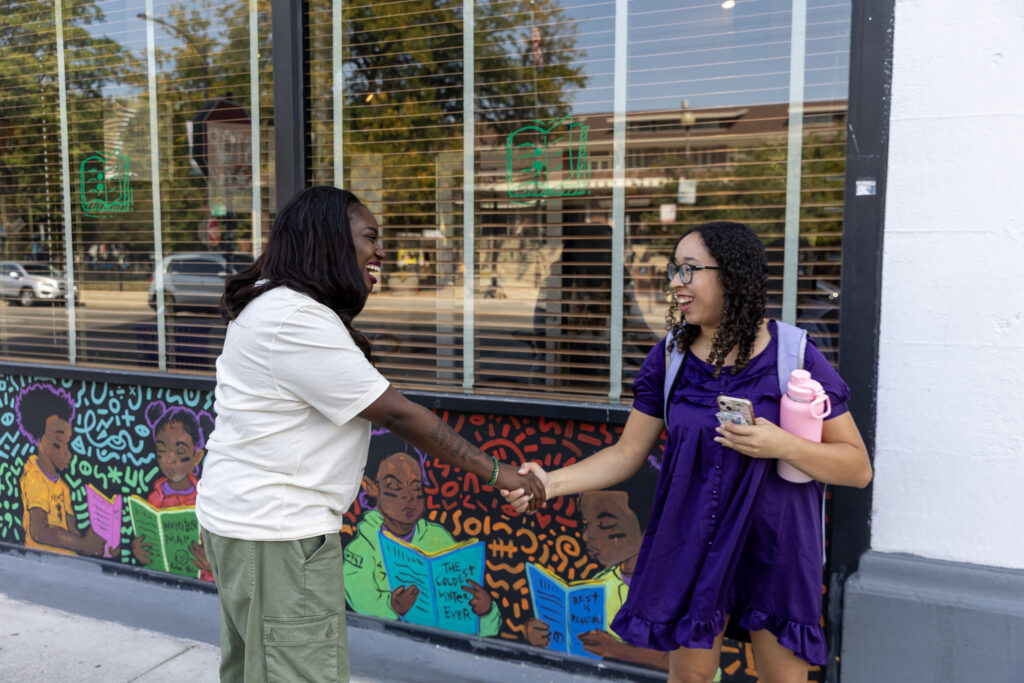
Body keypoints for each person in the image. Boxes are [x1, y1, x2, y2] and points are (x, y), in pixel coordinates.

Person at [195, 186, 543, 683]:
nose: (380, 251)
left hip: (247, 523)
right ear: (330, 241)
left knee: (255, 669)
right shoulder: (295, 319)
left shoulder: (275, 304)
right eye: (369, 237)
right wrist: (498, 472)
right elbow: (400, 416)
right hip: (275, 533)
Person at [503, 221, 871, 683]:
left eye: (689, 270)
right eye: (675, 269)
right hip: (691, 537)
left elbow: (856, 468)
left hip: (774, 545)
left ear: (732, 276)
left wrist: (782, 443)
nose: (675, 282)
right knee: (690, 679)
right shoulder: (671, 357)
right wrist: (549, 482)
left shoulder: (794, 356)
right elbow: (625, 453)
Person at [343, 451, 500, 636]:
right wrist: (392, 606)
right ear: (372, 488)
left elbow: (476, 621)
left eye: (416, 487)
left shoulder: (438, 537)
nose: (409, 497)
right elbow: (357, 597)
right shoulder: (364, 546)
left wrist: (486, 612)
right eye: (394, 486)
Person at [16, 383, 109, 557]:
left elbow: (71, 530)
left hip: (66, 560)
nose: (67, 453)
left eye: (68, 443)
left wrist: (99, 547)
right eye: (58, 443)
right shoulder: (33, 477)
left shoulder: (63, 487)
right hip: (42, 558)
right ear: (40, 440)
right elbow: (39, 531)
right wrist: (83, 544)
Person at [131, 403, 214, 581]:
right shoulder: (155, 498)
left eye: (180, 451)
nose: (169, 459)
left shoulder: (208, 498)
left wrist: (214, 564)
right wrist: (139, 551)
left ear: (197, 457)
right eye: (162, 450)